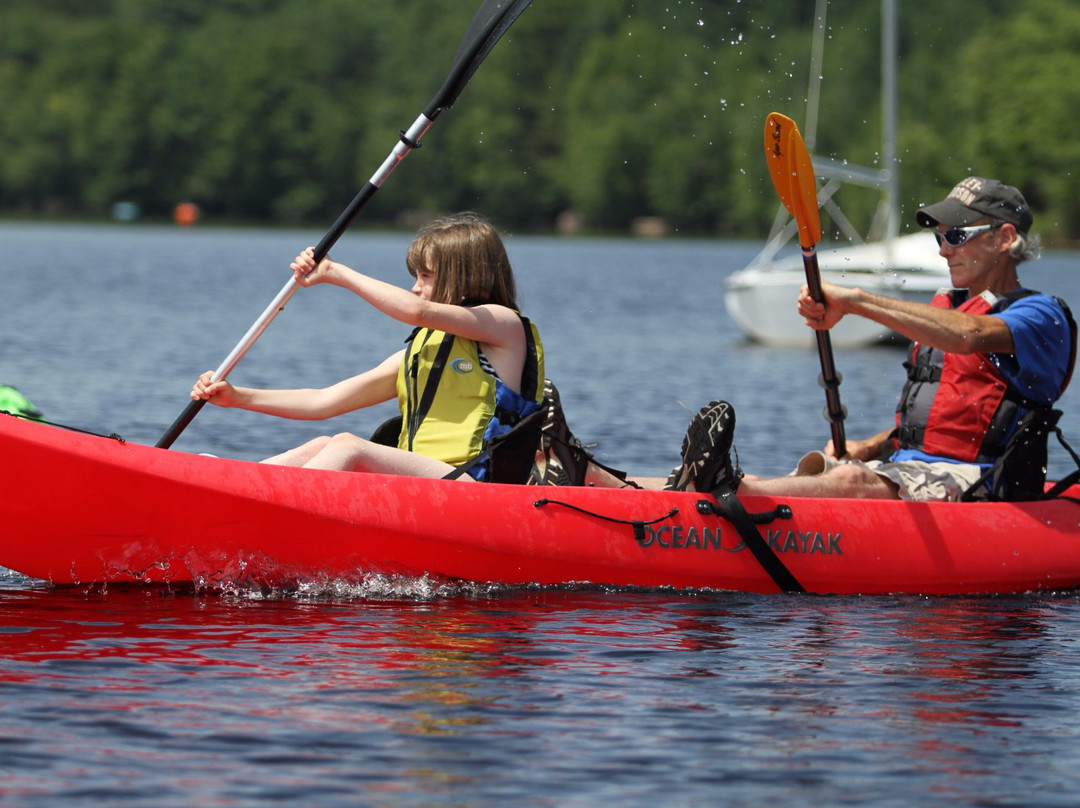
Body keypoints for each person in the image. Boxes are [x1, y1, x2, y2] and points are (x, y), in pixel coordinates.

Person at [669, 176, 1076, 501]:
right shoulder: (948, 305)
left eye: (956, 237)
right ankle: (626, 486)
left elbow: (969, 337)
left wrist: (855, 300)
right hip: (910, 471)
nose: (943, 251)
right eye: (940, 238)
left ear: (1004, 239)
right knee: (817, 470)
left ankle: (726, 492)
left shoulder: (1039, 316)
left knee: (848, 481)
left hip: (977, 483)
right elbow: (940, 420)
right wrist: (873, 445)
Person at [191, 212, 545, 482]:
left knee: (349, 446)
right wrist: (237, 397)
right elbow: (323, 401)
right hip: (426, 485)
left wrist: (337, 273)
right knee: (324, 444)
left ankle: (269, 513)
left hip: (474, 486)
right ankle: (231, 484)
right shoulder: (421, 353)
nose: (415, 288)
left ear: (465, 275)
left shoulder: (503, 326)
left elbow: (415, 311)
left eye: (425, 276)